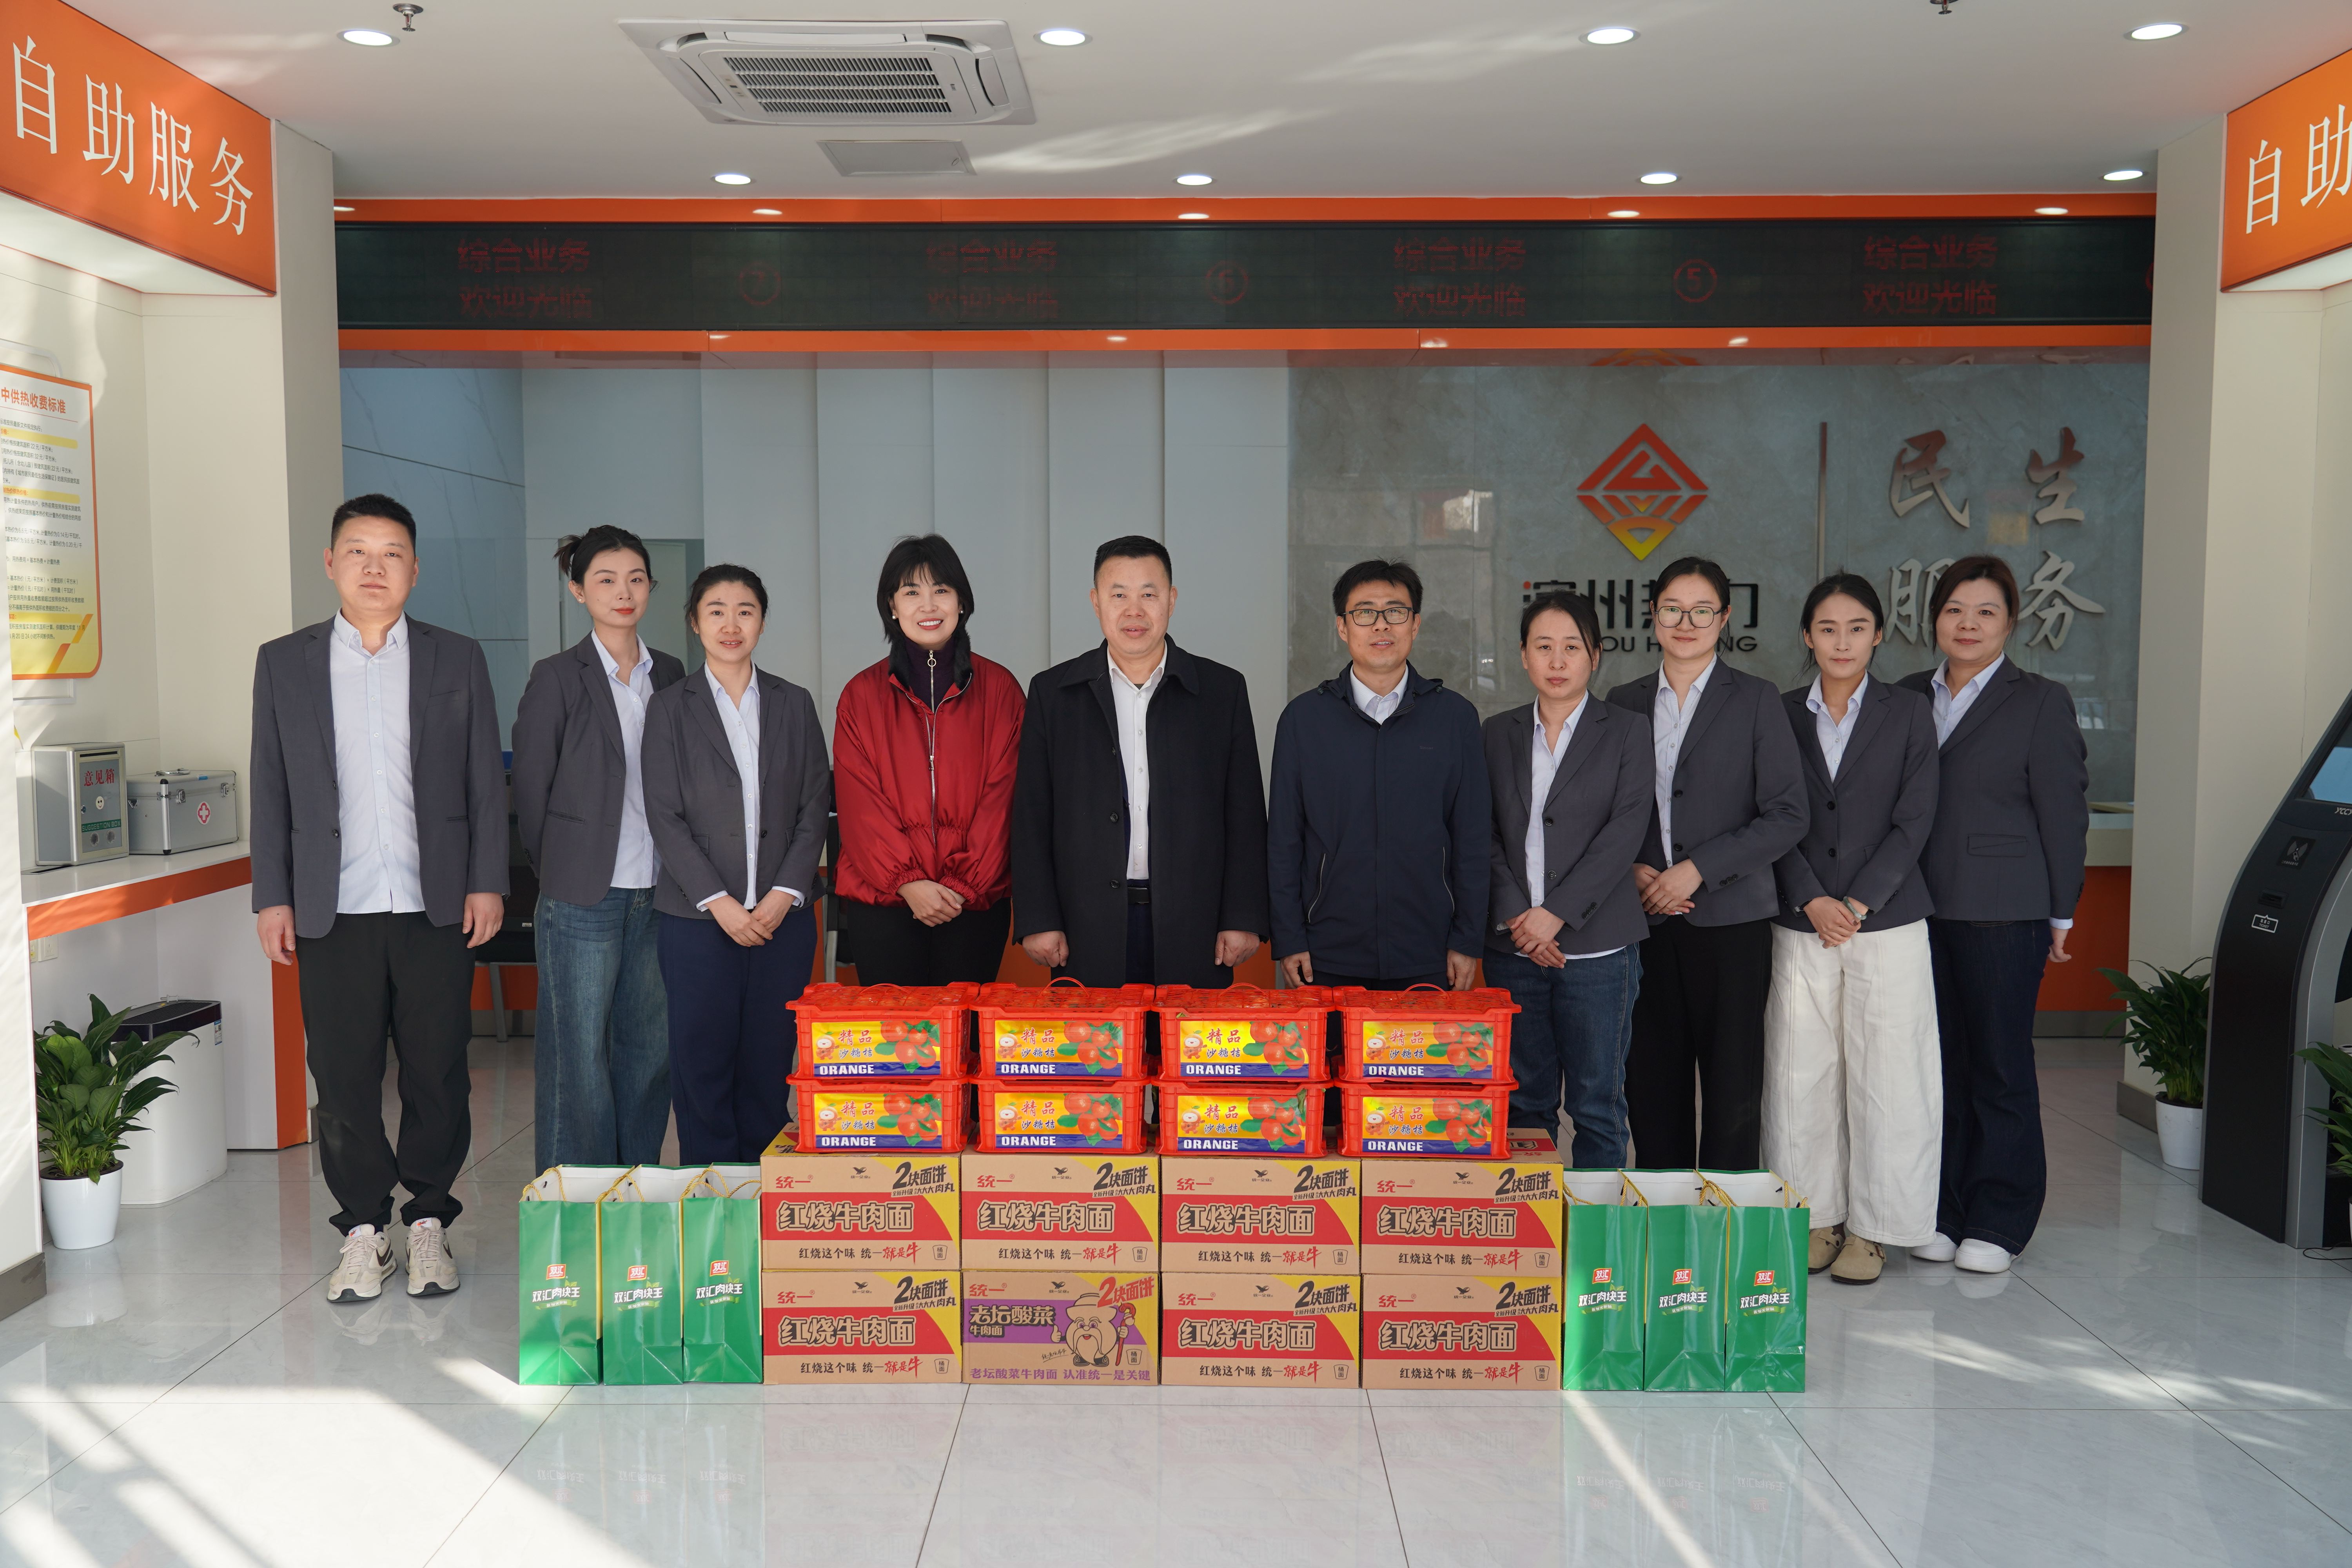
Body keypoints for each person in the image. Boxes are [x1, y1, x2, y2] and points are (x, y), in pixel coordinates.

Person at [250, 494, 506, 1304]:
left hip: (435, 903)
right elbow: (270, 785)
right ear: (330, 563)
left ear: (414, 570)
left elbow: (484, 780)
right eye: (357, 551)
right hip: (332, 906)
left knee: (438, 1070)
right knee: (343, 1076)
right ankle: (364, 1229)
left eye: (391, 553)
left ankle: (428, 1220)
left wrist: (487, 879)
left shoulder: (455, 657)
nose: (373, 567)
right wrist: (272, 895)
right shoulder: (284, 662)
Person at [1896, 555, 2088, 1275]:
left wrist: (2062, 911)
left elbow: (2063, 813)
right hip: (1915, 908)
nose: (1968, 624)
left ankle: (2000, 1216)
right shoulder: (1906, 696)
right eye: (1954, 610)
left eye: (1985, 612)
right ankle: (1941, 1210)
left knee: (2000, 1065)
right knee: (1935, 1065)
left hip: (2004, 911)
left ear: (2011, 622)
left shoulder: (2040, 701)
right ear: (1935, 619)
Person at [1762, 575, 1942, 1286]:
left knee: (1890, 1075)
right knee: (1799, 1071)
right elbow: (1767, 814)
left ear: (1878, 635)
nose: (1842, 642)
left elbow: (1916, 818)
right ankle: (1814, 1216)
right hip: (1801, 920)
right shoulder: (1777, 712)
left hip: (1887, 920)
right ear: (1807, 636)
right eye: (1828, 628)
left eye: (1857, 627)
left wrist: (1859, 902)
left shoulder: (1909, 712)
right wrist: (1811, 897)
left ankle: (1876, 1228)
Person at [1606, 556, 1807, 1170]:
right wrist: (1631, 868)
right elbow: (1606, 809)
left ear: (1724, 618)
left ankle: (1724, 1215)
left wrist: (1698, 869)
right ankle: (1662, 1209)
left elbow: (1788, 814)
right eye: (1673, 609)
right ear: (1653, 615)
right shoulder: (1624, 701)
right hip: (1644, 921)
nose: (1686, 622)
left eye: (1701, 611)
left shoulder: (1756, 699)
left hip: (1732, 921)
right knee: (1651, 1080)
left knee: (1733, 1085)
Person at [1011, 536, 1268, 988]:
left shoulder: (1222, 690)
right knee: (1098, 1036)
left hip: (1196, 921)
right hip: (1085, 922)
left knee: (1186, 1034)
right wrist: (1038, 917)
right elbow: (1031, 814)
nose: (1135, 611)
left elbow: (1244, 812)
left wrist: (1243, 915)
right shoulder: (1053, 693)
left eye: (1149, 594)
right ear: (1096, 602)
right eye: (1119, 595)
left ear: (1171, 600)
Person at [511, 526, 687, 1173]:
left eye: (636, 579)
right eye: (606, 580)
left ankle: (635, 1188)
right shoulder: (557, 677)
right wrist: (562, 871)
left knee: (649, 1053)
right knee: (577, 1056)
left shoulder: (672, 673)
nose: (623, 592)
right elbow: (531, 792)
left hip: (662, 893)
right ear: (578, 590)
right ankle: (576, 1199)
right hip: (583, 895)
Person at [641, 564, 831, 1163]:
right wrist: (720, 903)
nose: (731, 624)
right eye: (717, 611)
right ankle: (711, 1193)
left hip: (783, 922)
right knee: (701, 1067)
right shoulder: (669, 708)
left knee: (769, 1065)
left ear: (762, 623)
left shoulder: (794, 703)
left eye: (745, 611)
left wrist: (784, 893)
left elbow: (814, 806)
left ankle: (761, 1189)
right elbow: (665, 816)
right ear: (695, 623)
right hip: (697, 923)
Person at [1481, 591, 1652, 1165]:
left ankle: (1596, 1222)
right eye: (1544, 647)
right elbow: (1481, 832)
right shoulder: (1496, 732)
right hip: (1514, 950)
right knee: (1523, 1103)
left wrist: (1553, 915)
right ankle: (1535, 1220)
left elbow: (1624, 832)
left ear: (1595, 656)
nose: (1557, 661)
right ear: (1523, 655)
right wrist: (1519, 917)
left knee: (1597, 1105)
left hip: (1599, 953)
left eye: (1572, 648)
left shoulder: (1627, 730)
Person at [1270, 560, 1488, 991]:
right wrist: (1289, 938)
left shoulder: (1455, 718)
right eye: (1365, 612)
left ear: (1416, 624)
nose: (1381, 624)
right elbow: (1283, 839)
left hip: (1430, 953)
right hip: (1326, 952)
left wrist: (1467, 939)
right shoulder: (1304, 720)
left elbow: (1473, 838)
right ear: (1342, 626)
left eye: (1396, 611)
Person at [833, 535, 1025, 985]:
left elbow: (1007, 797)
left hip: (973, 905)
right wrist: (908, 881)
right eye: (911, 592)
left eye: (941, 589)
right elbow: (860, 806)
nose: (928, 605)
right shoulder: (860, 695)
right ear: (892, 606)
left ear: (962, 602)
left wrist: (962, 885)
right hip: (884, 902)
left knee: (967, 1026)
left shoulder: (1001, 690)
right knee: (897, 1030)